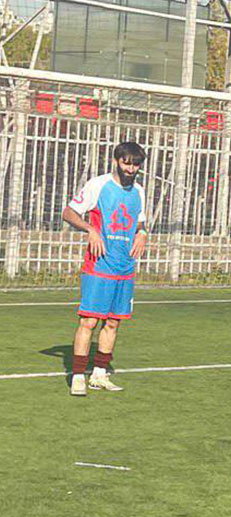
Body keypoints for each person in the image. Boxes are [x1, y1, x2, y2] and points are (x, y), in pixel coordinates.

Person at [63, 142, 148, 396]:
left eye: (135, 165)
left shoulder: (139, 191)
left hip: (125, 266)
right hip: (99, 265)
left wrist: (142, 232)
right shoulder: (98, 185)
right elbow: (69, 212)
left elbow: (139, 221)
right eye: (126, 163)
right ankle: (78, 375)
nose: (130, 169)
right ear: (116, 161)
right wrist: (90, 229)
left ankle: (99, 374)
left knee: (112, 322)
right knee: (89, 320)